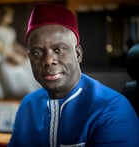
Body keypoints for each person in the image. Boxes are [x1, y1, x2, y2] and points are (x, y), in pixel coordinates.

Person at [8, 2, 139, 147]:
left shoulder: (112, 109)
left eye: (58, 49)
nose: (48, 60)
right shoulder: (27, 106)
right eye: (36, 53)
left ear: (78, 54)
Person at [0, 6, 40, 97]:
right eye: (8, 16)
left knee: (28, 62)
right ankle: (21, 91)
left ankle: (36, 90)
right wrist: (13, 57)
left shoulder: (10, 30)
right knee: (16, 68)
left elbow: (13, 44)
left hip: (12, 53)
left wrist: (24, 51)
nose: (10, 18)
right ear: (2, 17)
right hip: (2, 55)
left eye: (11, 16)